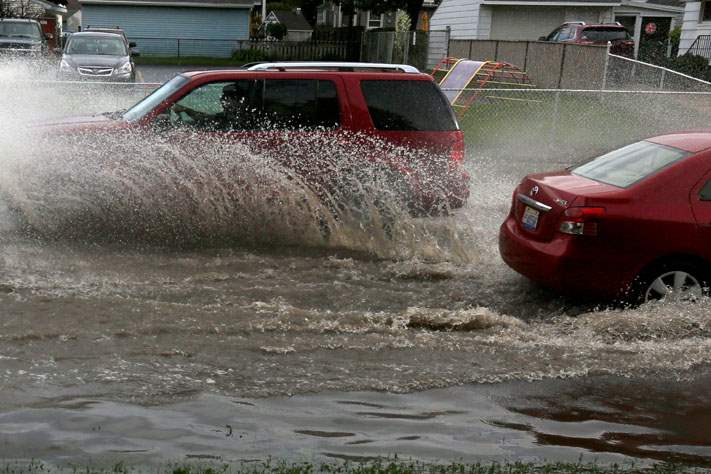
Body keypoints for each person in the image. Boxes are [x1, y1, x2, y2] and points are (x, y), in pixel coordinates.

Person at [171, 82, 254, 131]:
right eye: (222, 97)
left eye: (226, 98)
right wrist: (186, 110)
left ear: (238, 100)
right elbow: (207, 118)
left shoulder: (242, 120)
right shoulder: (228, 115)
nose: (222, 100)